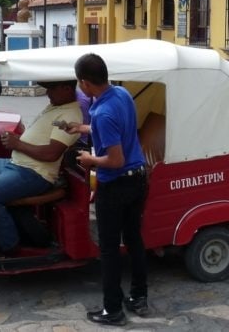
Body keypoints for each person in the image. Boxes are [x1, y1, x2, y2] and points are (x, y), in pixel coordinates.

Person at [68, 53, 148, 326]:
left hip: (116, 184)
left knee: (110, 249)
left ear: (85, 83)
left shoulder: (102, 112)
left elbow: (115, 160)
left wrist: (90, 160)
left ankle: (112, 309)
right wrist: (81, 127)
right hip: (138, 179)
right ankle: (139, 297)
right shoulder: (121, 94)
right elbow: (115, 127)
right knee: (134, 239)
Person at [0, 80, 83, 256]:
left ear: (67, 89)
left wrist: (18, 144)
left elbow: (51, 154)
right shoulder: (56, 107)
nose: (48, 93)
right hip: (16, 164)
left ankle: (8, 246)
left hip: (33, 173)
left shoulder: (69, 116)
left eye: (52, 88)